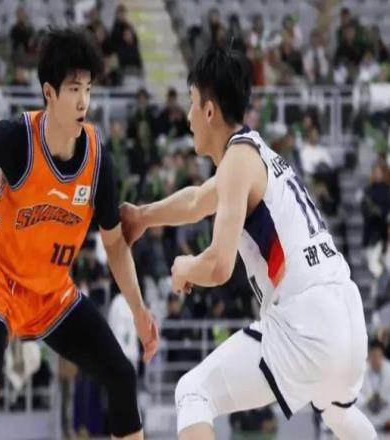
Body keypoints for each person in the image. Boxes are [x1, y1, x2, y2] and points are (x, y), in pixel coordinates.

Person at [0, 27, 158, 440]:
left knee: (122, 376)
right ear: (49, 92)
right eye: (74, 89)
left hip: (51, 294)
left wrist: (139, 310)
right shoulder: (15, 138)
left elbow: (115, 245)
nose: (84, 101)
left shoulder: (97, 160)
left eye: (88, 89)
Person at [120, 46, 376, 440]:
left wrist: (185, 267)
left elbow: (218, 266)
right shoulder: (253, 153)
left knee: (193, 392)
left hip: (306, 320)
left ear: (209, 111)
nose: (188, 117)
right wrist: (142, 216)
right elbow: (196, 201)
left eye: (191, 103)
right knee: (338, 413)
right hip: (348, 316)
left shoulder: (238, 161)